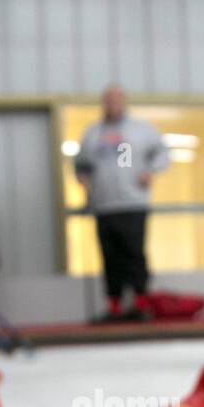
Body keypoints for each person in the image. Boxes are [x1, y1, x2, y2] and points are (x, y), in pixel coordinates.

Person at [74, 85, 170, 323]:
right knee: (110, 258)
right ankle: (115, 307)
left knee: (134, 254)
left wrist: (150, 171)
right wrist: (83, 178)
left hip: (133, 203)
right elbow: (81, 164)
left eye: (117, 100)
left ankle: (141, 304)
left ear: (125, 102)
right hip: (104, 206)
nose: (112, 105)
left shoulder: (141, 130)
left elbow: (163, 153)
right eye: (108, 100)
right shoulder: (93, 134)